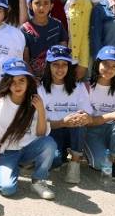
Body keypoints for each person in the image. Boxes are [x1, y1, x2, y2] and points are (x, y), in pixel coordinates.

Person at [0, 58, 56, 200]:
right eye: (12, 81)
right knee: (7, 189)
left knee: (49, 143)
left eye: (21, 80)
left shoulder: (35, 100)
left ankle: (38, 180)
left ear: (28, 82)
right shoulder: (0, 104)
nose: (17, 85)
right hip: (8, 152)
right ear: (7, 83)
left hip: (29, 148)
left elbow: (41, 134)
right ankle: (12, 168)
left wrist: (41, 110)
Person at [39, 45, 92, 185]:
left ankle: (75, 163)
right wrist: (63, 122)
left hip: (74, 131)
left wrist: (83, 117)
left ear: (69, 67)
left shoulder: (79, 87)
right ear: (48, 66)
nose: (60, 69)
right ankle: (60, 156)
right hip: (52, 131)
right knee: (55, 161)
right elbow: (40, 125)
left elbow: (87, 113)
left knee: (80, 120)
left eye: (64, 64)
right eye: (55, 64)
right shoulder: (40, 88)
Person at [84, 46, 115, 178]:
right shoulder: (86, 87)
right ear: (97, 63)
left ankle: (114, 159)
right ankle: (101, 157)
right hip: (91, 132)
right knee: (99, 164)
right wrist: (112, 115)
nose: (109, 69)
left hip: (111, 131)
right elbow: (86, 122)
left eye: (114, 66)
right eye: (105, 64)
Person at [52, 0, 92, 80]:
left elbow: (85, 35)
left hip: (73, 59)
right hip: (52, 56)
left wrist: (83, 64)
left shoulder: (85, 3)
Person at [22, 0, 68, 79]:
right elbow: (25, 60)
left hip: (56, 77)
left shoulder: (57, 25)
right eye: (37, 3)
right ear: (30, 5)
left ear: (51, 6)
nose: (41, 7)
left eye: (46, 3)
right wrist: (33, 79)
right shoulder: (25, 29)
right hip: (35, 78)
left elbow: (63, 54)